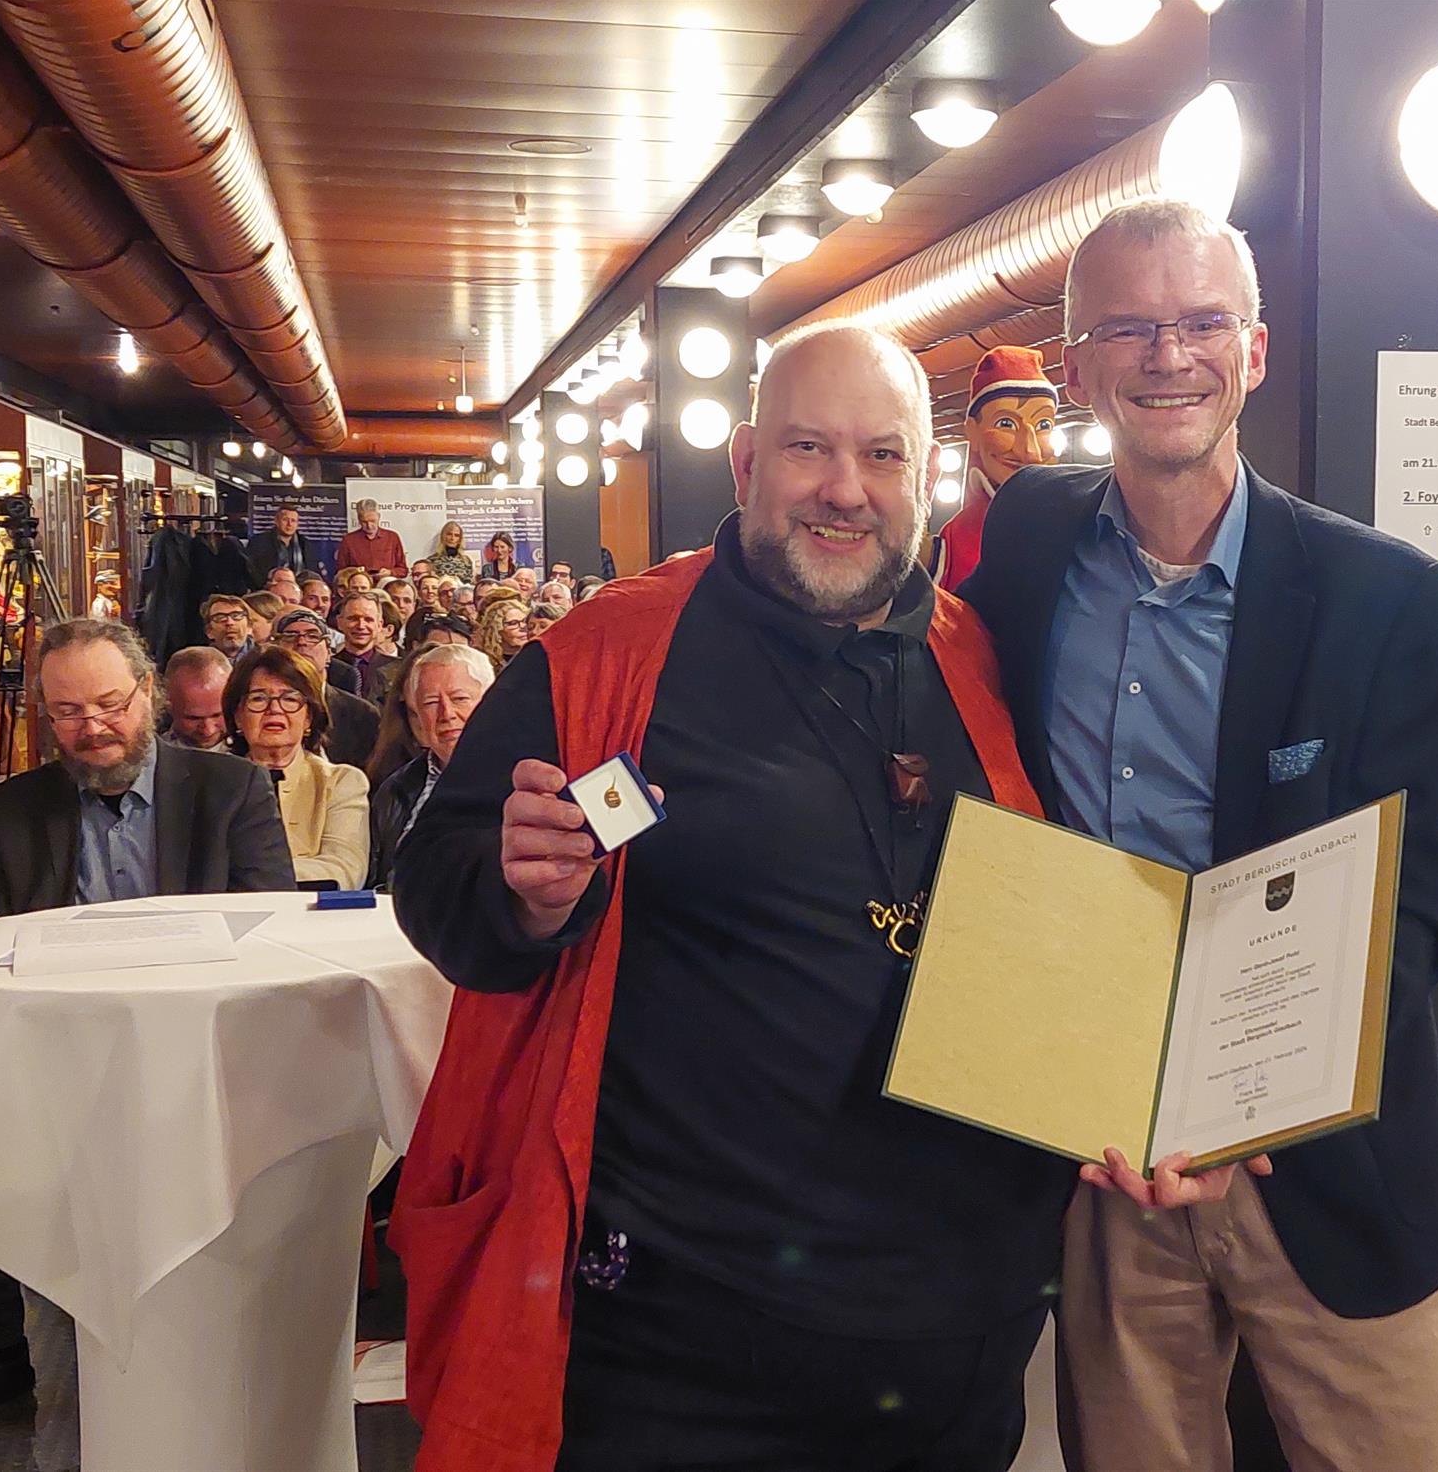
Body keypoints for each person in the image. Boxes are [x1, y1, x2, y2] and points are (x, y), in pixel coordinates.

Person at [390, 323, 1072, 1471]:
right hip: (685, 1344)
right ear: (747, 463)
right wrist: (528, 896)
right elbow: (438, 886)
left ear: (927, 475)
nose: (845, 491)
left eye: (884, 455)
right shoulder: (610, 653)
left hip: (958, 1326)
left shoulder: (981, 656)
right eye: (810, 449)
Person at [958, 197, 1438, 1472]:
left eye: (1200, 322)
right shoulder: (1024, 546)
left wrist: (1263, 1105)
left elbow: (1414, 910)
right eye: (1127, 327)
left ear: (1251, 351)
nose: (1166, 354)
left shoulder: (1383, 598)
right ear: (1076, 367)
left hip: (1329, 1159)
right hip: (1108, 1155)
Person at [0, 619, 292, 1448]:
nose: (94, 727)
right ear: (45, 716)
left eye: (110, 703)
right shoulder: (14, 810)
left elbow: (270, 937)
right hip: (53, 1051)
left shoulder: (230, 792)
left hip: (196, 1055)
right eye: (68, 712)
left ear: (150, 696)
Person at [225, 644, 370, 891]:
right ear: (238, 716)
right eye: (258, 698)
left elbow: (344, 872)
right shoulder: (210, 782)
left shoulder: (341, 783)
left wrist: (243, 875)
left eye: (290, 698)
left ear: (309, 717)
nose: (275, 709)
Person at [933, 345, 1059, 593]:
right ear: (972, 431)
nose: (1030, 451)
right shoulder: (953, 542)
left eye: (1044, 424)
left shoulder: (1079, 525)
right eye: (1006, 423)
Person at [367, 642, 494, 889]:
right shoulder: (396, 789)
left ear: (491, 702)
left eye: (459, 699)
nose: (446, 713)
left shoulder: (524, 782)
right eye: (431, 703)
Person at [271, 608, 380, 770]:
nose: (301, 642)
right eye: (290, 636)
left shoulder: (361, 714)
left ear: (329, 653)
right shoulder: (263, 709)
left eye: (313, 636)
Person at [160, 645, 232, 751]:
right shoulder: (147, 759)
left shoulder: (255, 752)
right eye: (194, 718)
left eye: (217, 715)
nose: (208, 731)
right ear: (168, 705)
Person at [333, 591, 398, 701]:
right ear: (340, 622)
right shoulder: (327, 668)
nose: (361, 626)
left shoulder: (397, 669)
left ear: (379, 625)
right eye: (353, 619)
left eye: (369, 620)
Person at [245, 504, 325, 583]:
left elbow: (313, 573)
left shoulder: (306, 545)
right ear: (276, 521)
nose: (289, 524)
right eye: (285, 519)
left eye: (293, 521)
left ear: (297, 524)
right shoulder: (259, 542)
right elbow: (251, 570)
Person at [335, 498, 409, 579]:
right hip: (359, 587)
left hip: (386, 586)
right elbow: (341, 572)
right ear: (359, 520)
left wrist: (390, 572)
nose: (369, 526)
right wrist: (357, 573)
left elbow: (403, 570)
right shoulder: (349, 540)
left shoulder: (392, 537)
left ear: (379, 517)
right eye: (364, 522)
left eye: (373, 521)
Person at [469, 592, 529, 673]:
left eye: (525, 621)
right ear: (496, 629)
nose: (523, 627)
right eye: (513, 623)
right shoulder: (482, 662)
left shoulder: (537, 656)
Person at [201, 592, 254, 663]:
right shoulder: (200, 663)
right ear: (209, 631)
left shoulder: (266, 658)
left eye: (236, 616)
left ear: (249, 626)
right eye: (220, 617)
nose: (229, 622)